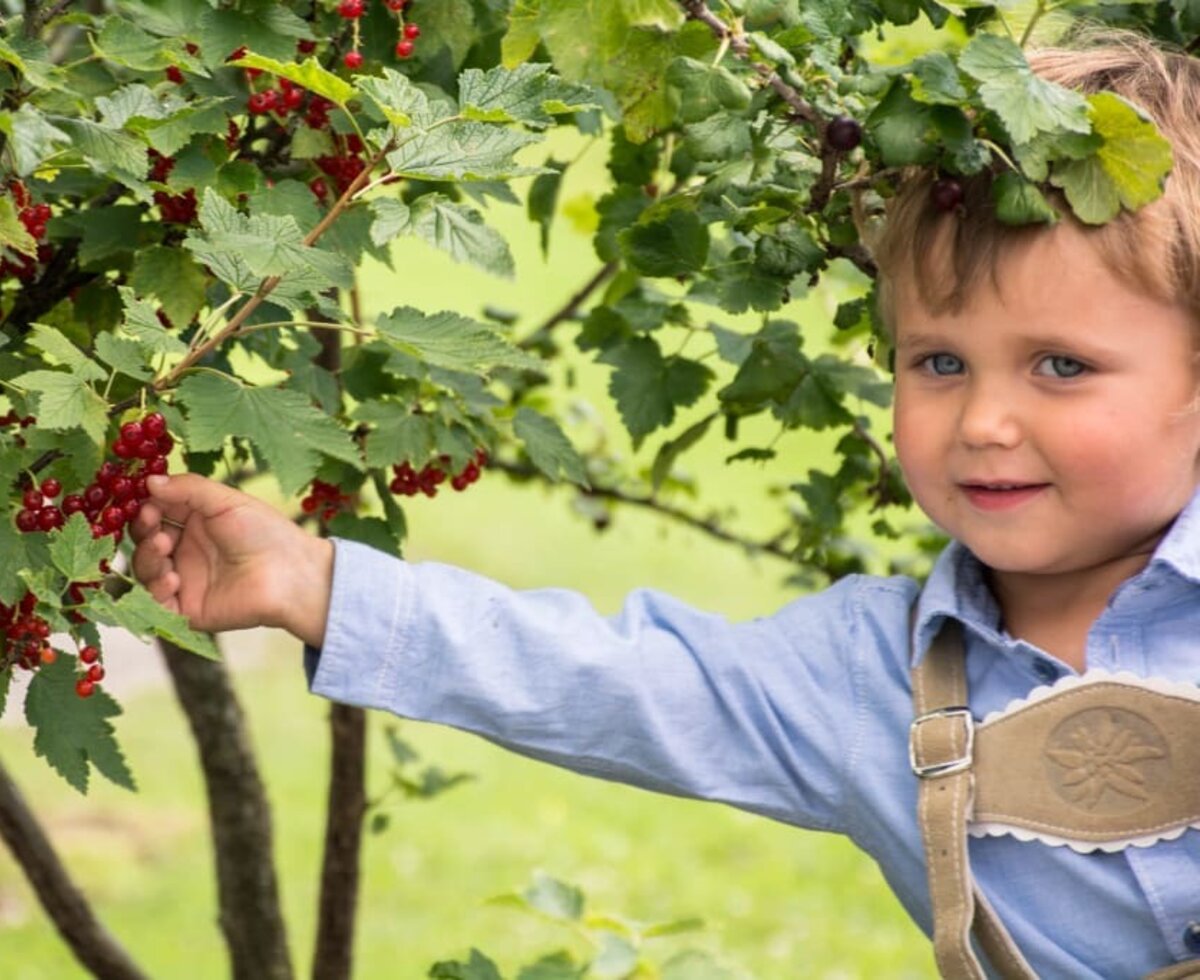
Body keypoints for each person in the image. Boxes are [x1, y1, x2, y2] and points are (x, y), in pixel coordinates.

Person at [130, 24, 1200, 979]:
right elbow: (613, 680)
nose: (982, 422)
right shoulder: (874, 678)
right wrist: (319, 583)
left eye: (1060, 365)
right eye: (938, 362)